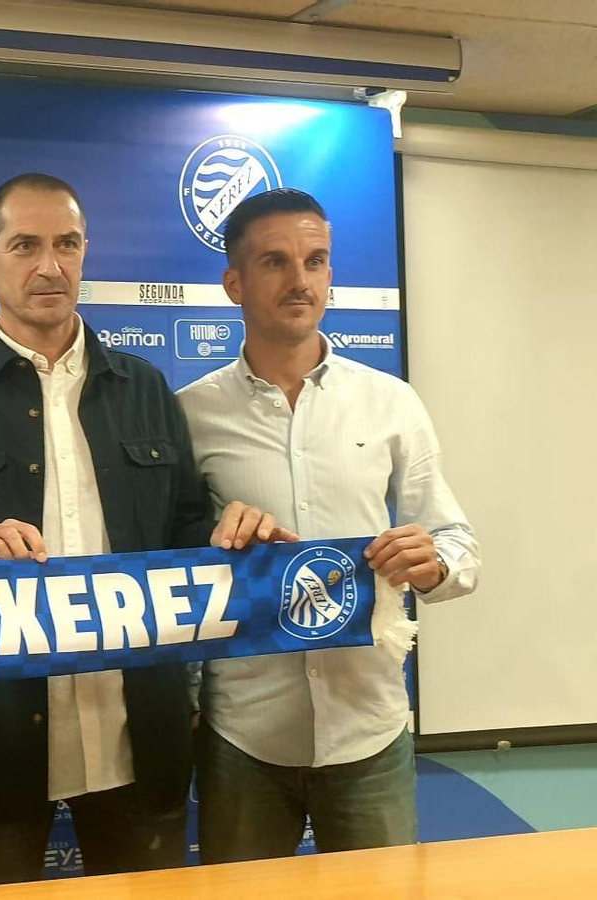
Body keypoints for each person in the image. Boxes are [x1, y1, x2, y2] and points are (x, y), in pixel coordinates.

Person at [0, 173, 271, 884]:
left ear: (85, 251)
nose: (49, 266)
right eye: (25, 245)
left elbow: (183, 524)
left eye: (66, 244)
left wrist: (229, 528)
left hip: (137, 736)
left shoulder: (145, 388)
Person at [177, 187, 479, 863]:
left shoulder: (391, 403)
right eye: (276, 262)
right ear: (235, 282)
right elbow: (167, 558)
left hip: (368, 726)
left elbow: (460, 545)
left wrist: (432, 563)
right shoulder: (188, 416)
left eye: (316, 261)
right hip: (242, 735)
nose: (300, 280)